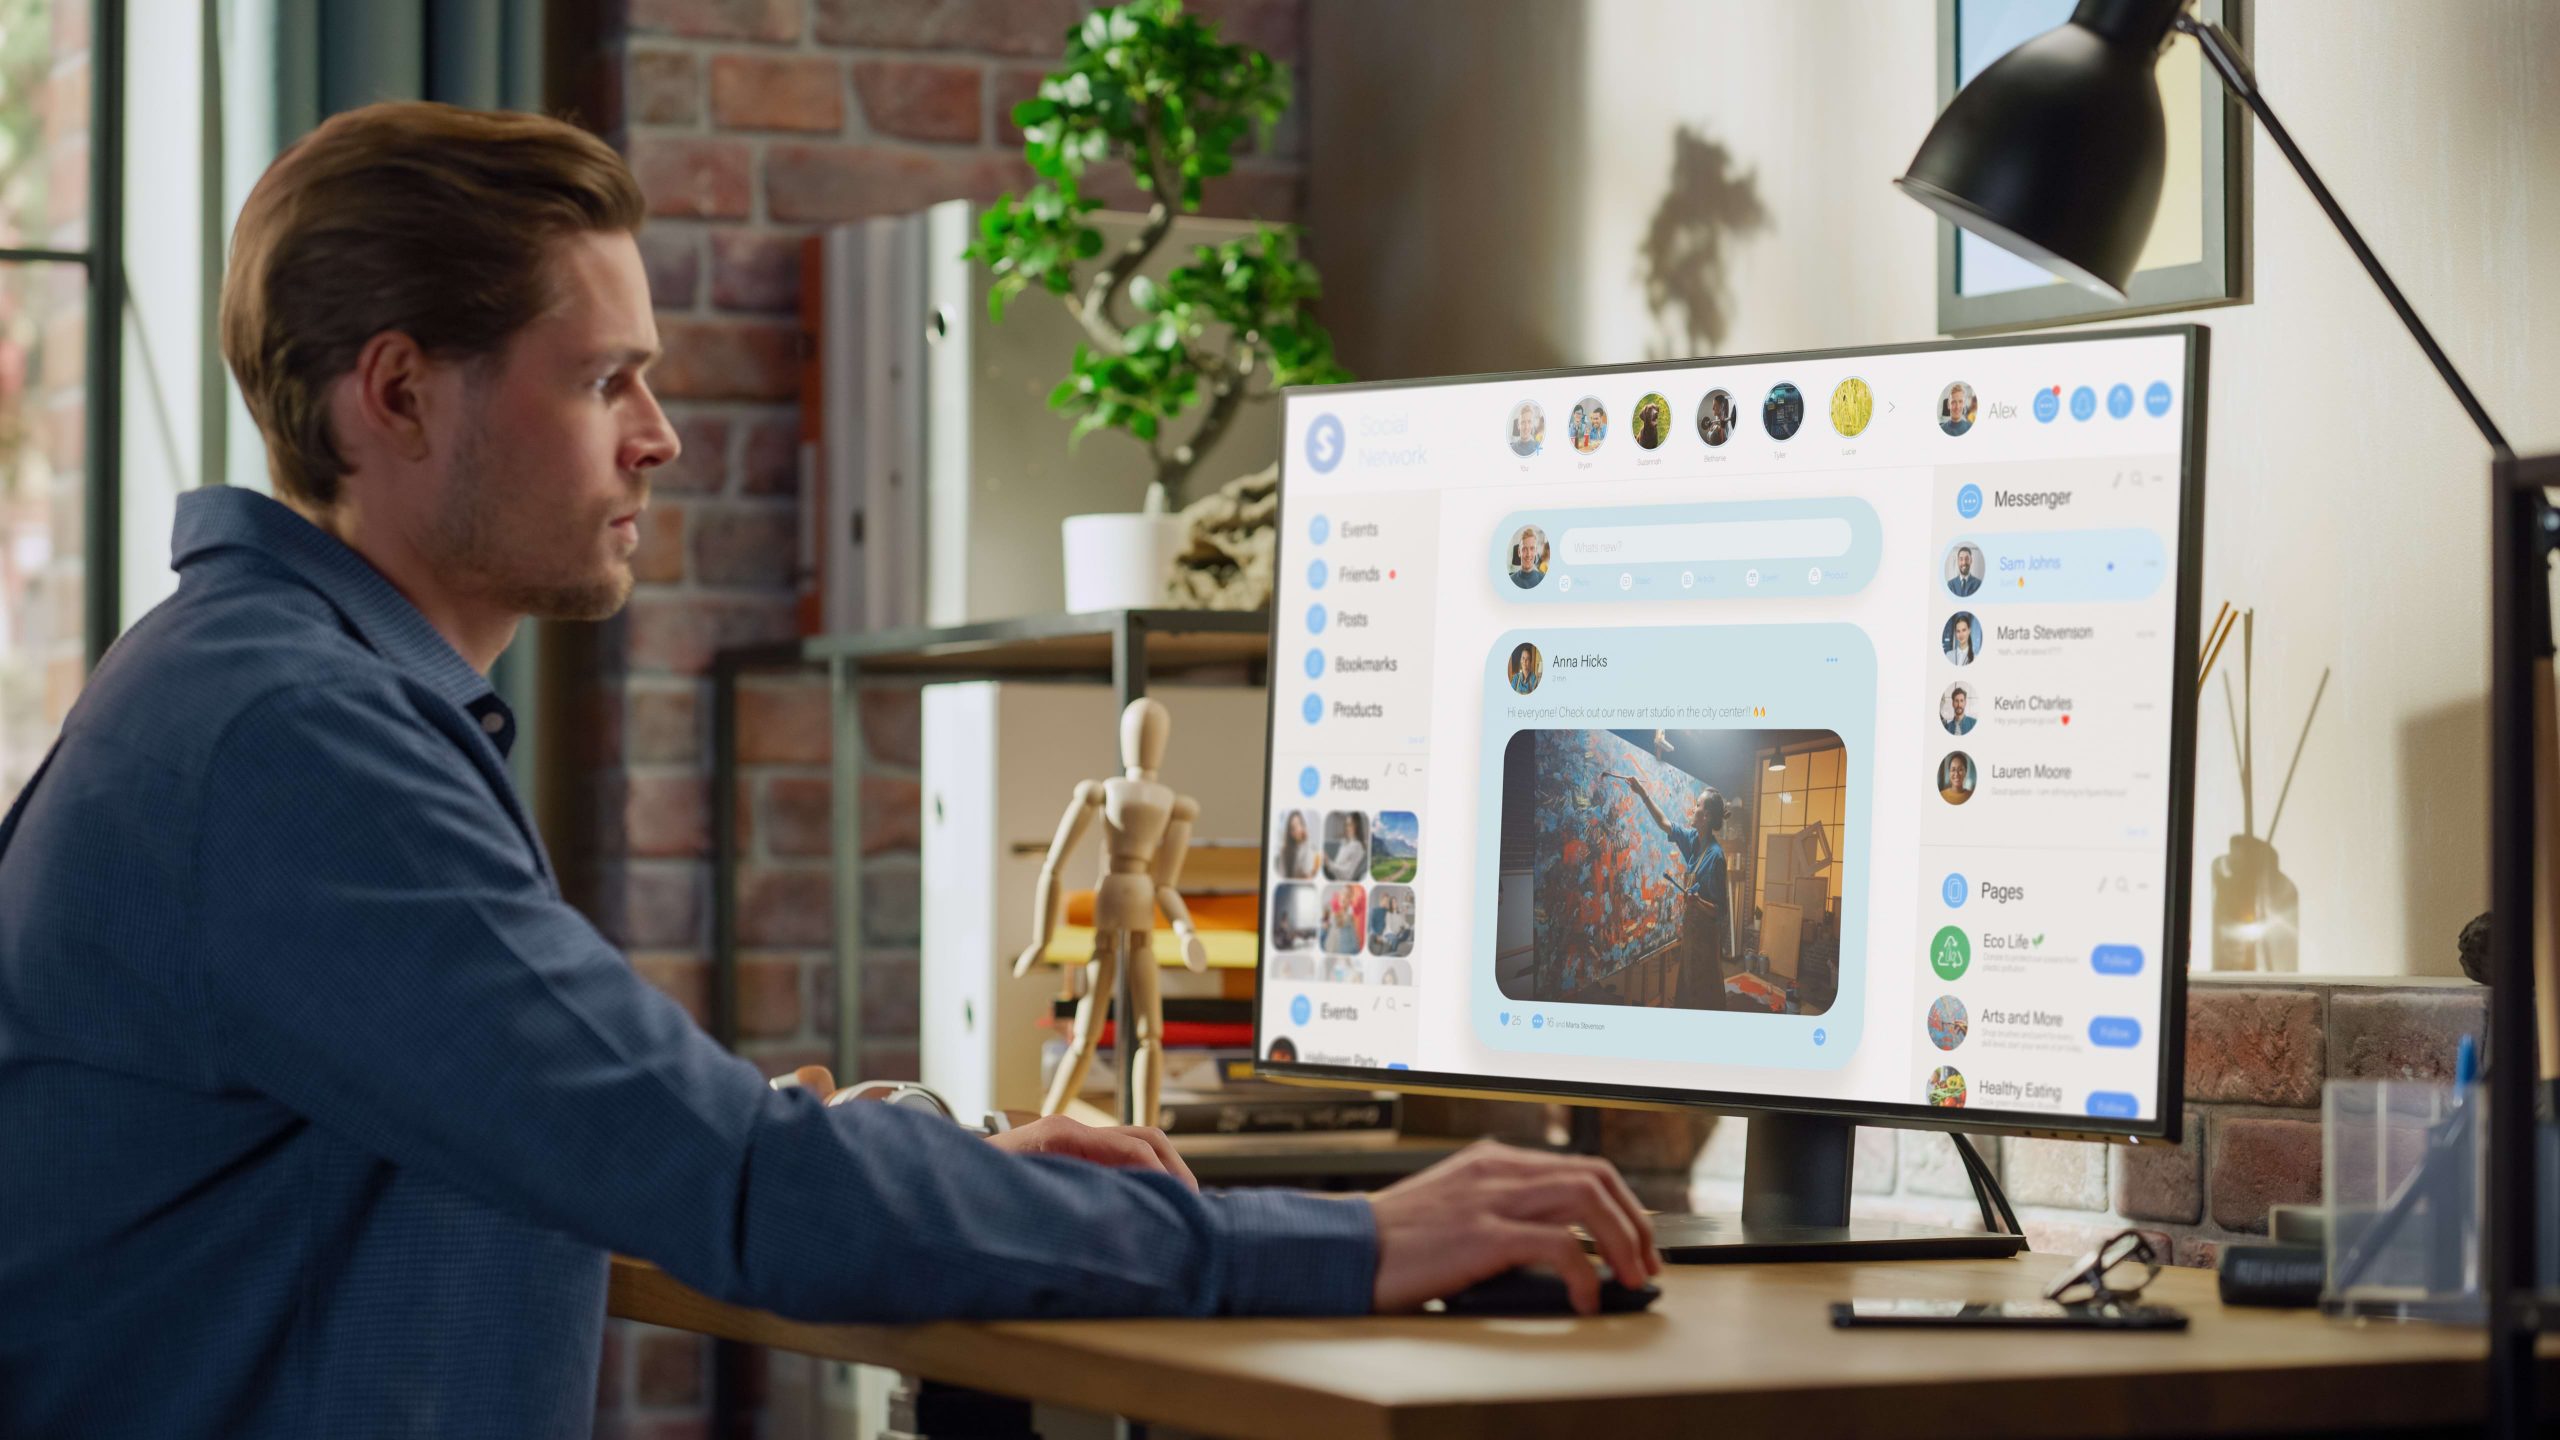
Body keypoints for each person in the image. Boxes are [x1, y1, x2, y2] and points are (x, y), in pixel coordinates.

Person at [0, 102, 1659, 1436]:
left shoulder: (264, 688)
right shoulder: (296, 739)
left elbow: (570, 1129)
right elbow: (724, 1186)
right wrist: (1359, 1238)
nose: (661, 434)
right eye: (604, 380)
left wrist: (879, 1161)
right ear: (400, 394)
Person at [1607, 773, 1732, 1011]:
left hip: (1706, 940)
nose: (1692, 808)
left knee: (1705, 995)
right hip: (1691, 935)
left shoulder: (1716, 856)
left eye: (1697, 805)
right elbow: (1664, 822)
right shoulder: (1694, 840)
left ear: (1705, 816)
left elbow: (1719, 911)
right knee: (1687, 990)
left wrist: (1697, 902)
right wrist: (1642, 794)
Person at [1324, 812, 1370, 881]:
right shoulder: (1345, 843)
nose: (1347, 828)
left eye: (1350, 825)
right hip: (1334, 876)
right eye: (1346, 825)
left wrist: (1329, 863)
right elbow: (1337, 864)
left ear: (1357, 826)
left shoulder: (1357, 846)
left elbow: (1347, 875)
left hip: (1340, 880)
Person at [1276, 810, 1316, 878]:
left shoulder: (1309, 848)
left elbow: (1307, 872)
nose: (1296, 830)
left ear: (1303, 826)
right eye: (1292, 828)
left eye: (1298, 825)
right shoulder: (1284, 851)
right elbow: (1281, 876)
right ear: (1290, 833)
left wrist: (1306, 841)